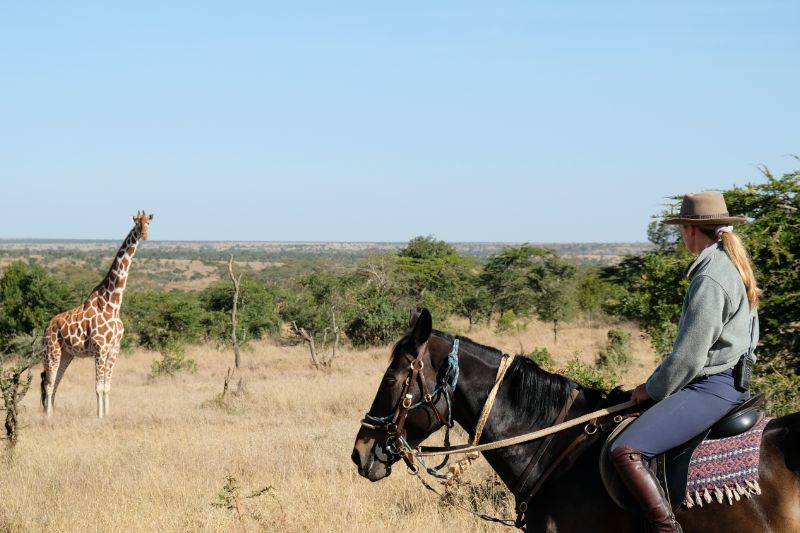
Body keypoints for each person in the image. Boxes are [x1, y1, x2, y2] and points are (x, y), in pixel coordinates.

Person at [608, 191, 761, 533]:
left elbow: (689, 356)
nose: (682, 237)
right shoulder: (731, 264)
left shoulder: (709, 277)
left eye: (682, 229)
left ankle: (667, 528)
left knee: (625, 449)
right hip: (731, 382)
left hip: (712, 387)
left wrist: (653, 388)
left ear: (691, 230)